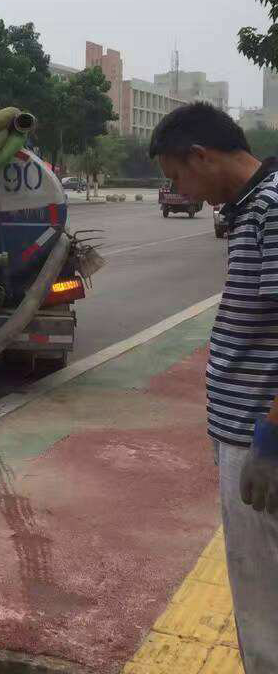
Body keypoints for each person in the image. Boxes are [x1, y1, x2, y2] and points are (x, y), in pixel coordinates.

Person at [149, 102, 278, 672]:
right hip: (245, 431)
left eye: (178, 177)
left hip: (261, 438)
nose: (184, 193)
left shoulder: (272, 209)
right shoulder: (253, 207)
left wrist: (270, 440)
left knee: (265, 601)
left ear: (201, 156)